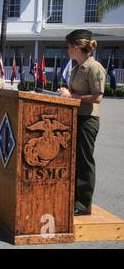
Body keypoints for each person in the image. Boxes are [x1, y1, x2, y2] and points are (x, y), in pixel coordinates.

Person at [57, 29, 106, 216]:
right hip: (75, 116)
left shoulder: (94, 67)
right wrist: (66, 93)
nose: (68, 50)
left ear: (76, 47)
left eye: (69, 47)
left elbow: (98, 97)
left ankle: (83, 205)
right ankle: (73, 199)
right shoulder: (77, 67)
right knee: (73, 160)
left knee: (84, 161)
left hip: (88, 119)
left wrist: (73, 96)